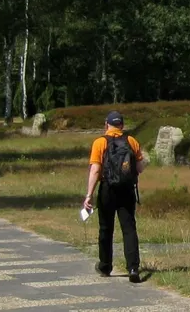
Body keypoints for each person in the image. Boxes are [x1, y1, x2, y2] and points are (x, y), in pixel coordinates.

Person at [83, 111, 148, 283]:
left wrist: (89, 195)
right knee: (129, 228)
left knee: (106, 228)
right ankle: (133, 268)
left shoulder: (100, 142)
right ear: (122, 125)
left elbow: (95, 170)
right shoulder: (131, 141)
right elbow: (140, 167)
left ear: (106, 125)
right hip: (127, 190)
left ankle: (105, 265)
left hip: (107, 189)